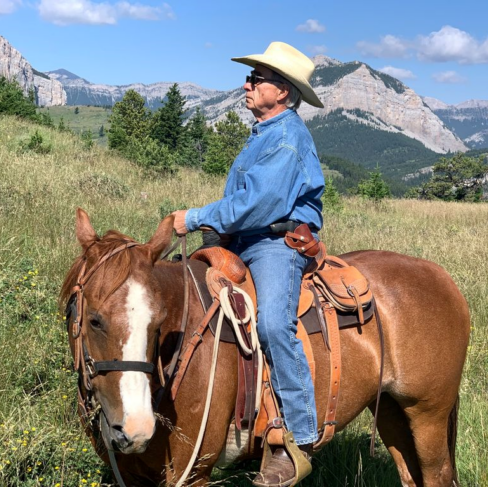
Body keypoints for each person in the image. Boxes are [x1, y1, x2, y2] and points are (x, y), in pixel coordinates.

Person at [171, 42, 325, 487]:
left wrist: (196, 217)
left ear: (283, 92)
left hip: (275, 242)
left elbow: (259, 205)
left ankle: (297, 437)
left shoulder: (288, 138)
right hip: (245, 238)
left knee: (275, 324)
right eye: (251, 77)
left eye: (256, 79)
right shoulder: (264, 133)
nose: (247, 84)